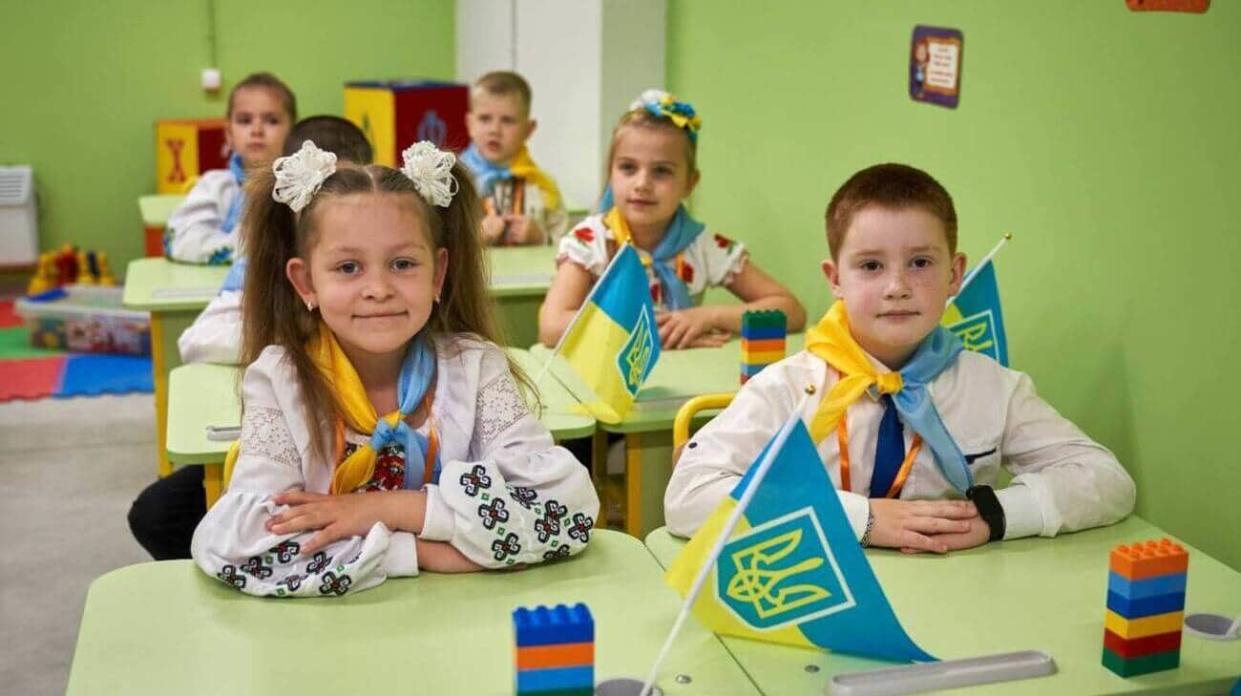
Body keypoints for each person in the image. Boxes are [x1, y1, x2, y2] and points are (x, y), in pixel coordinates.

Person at [190, 140, 599, 596]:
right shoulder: (280, 379)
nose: (378, 288)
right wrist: (418, 553)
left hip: (463, 624)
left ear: (437, 274)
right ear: (306, 282)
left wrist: (387, 510)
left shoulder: (474, 365)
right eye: (348, 268)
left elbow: (570, 508)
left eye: (402, 264)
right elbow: (237, 547)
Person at [665, 163, 1135, 553]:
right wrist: (861, 519)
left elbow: (1108, 480)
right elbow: (688, 497)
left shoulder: (992, 387)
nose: (897, 287)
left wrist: (995, 516)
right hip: (821, 604)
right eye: (871, 265)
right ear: (835, 278)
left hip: (959, 603)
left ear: (955, 275)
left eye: (921, 263)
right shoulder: (788, 387)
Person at [538, 89, 805, 350]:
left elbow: (790, 311)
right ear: (611, 173)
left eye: (662, 171)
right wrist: (647, 330)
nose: (642, 184)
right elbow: (551, 327)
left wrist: (709, 316)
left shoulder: (702, 245)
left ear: (689, 183)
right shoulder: (590, 241)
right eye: (628, 167)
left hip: (681, 378)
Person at [176, 115, 374, 365]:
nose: (337, 212)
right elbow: (197, 342)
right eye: (322, 197)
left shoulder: (382, 258)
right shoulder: (265, 263)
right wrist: (296, 336)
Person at [163, 72, 295, 264]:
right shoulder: (215, 186)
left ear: (293, 134)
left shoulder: (302, 190)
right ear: (229, 135)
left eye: (271, 120)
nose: (257, 130)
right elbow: (178, 241)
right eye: (244, 120)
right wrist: (243, 246)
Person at [461, 70, 567, 245]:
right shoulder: (452, 183)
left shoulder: (542, 186)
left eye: (508, 120)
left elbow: (569, 247)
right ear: (469, 124)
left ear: (529, 129)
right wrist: (473, 238)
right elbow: (434, 244)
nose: (495, 130)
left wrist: (541, 237)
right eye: (485, 119)